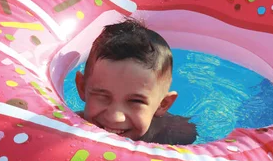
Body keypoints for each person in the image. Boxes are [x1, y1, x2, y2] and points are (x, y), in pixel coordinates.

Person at [75, 17, 197, 145]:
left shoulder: (179, 134)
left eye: (135, 101)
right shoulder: (68, 125)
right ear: (82, 87)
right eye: (102, 96)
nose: (115, 117)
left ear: (163, 104)